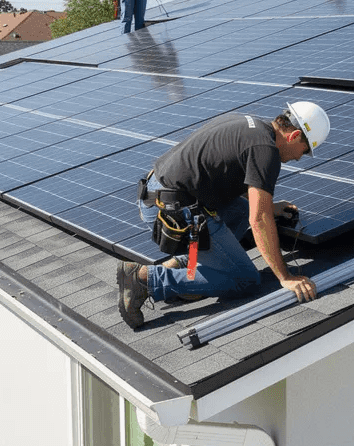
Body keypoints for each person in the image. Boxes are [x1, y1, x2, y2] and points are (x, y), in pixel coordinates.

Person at [117, 101, 331, 329]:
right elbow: (259, 220)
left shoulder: (251, 126)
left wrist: (271, 207)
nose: (299, 158)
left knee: (241, 210)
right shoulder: (266, 150)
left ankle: (186, 265)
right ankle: (144, 279)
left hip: (160, 195)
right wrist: (285, 277)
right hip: (173, 212)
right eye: (304, 151)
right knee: (245, 279)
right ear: (294, 135)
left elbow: (231, 178)